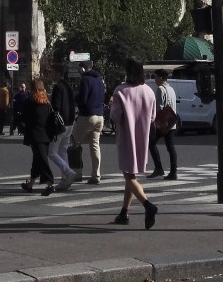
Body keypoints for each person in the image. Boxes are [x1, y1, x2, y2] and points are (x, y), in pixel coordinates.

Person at [109, 58, 158, 228]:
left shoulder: (121, 91)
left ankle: (147, 205)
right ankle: (124, 212)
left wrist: (111, 106)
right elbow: (153, 117)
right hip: (142, 137)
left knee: (128, 175)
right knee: (131, 175)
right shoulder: (149, 91)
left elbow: (115, 117)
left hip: (126, 137)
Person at [17, 76, 62, 194]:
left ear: (33, 89)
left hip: (35, 136)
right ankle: (30, 185)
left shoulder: (30, 102)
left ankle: (50, 184)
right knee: (37, 161)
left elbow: (23, 118)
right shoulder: (47, 102)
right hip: (47, 135)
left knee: (42, 160)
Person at [72, 62, 106, 184]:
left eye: (79, 69)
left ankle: (77, 173)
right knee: (95, 146)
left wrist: (75, 97)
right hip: (100, 116)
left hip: (87, 115)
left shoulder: (85, 80)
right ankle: (96, 175)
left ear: (83, 68)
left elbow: (83, 99)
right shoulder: (99, 80)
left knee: (74, 143)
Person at [46, 72, 76, 191]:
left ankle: (68, 172)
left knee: (51, 151)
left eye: (52, 72)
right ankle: (65, 177)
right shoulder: (68, 86)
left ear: (57, 73)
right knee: (63, 150)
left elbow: (56, 107)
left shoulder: (58, 87)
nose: (51, 75)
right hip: (69, 122)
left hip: (61, 123)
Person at [148, 69, 178, 180]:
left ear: (161, 77)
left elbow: (159, 108)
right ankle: (173, 171)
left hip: (162, 124)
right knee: (170, 147)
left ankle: (159, 168)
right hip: (171, 123)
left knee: (151, 143)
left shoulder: (160, 89)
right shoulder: (171, 89)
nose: (155, 79)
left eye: (155, 77)